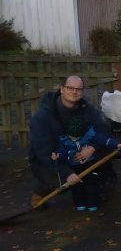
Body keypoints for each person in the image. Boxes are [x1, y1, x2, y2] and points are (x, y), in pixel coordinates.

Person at [28, 76, 112, 208]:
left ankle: (94, 187)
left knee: (108, 148)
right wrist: (68, 173)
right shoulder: (43, 116)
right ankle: (41, 191)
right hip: (51, 159)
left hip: (79, 152)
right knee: (63, 180)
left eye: (78, 89)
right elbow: (44, 152)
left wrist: (92, 147)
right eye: (70, 88)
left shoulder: (85, 108)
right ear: (62, 89)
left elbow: (103, 128)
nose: (74, 92)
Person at [55, 116, 121, 211]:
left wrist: (116, 144)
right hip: (74, 167)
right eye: (72, 137)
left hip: (90, 165)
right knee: (76, 186)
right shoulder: (63, 140)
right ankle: (80, 203)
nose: (75, 139)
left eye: (78, 137)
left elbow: (104, 140)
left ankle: (93, 203)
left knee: (92, 183)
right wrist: (58, 156)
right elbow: (61, 152)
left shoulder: (91, 134)